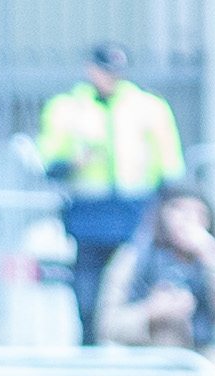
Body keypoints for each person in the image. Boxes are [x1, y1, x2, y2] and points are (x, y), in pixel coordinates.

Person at [34, 43, 189, 346]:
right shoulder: (66, 108)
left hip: (135, 217)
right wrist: (73, 162)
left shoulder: (149, 108)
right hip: (89, 221)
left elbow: (169, 168)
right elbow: (48, 162)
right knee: (88, 305)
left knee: (136, 299)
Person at [100, 186, 215, 347]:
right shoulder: (134, 257)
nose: (189, 219)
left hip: (203, 360)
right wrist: (151, 311)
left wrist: (213, 261)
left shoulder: (213, 263)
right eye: (179, 209)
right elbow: (107, 326)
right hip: (148, 360)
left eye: (199, 213)